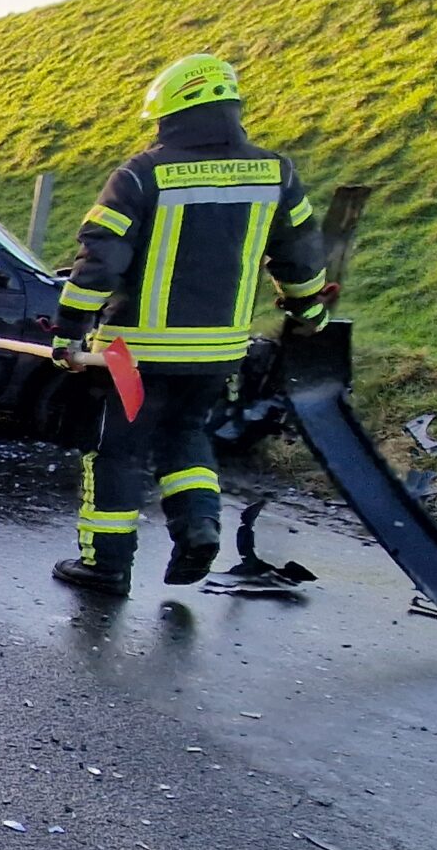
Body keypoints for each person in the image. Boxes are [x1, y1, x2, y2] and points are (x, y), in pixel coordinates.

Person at [49, 53, 331, 597]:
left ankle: (106, 566)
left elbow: (99, 262)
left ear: (172, 115)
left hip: (134, 356)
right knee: (186, 437)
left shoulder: (142, 172)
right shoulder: (276, 172)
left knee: (117, 452)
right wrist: (311, 314)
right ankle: (199, 527)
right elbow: (300, 257)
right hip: (216, 352)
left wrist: (68, 331)